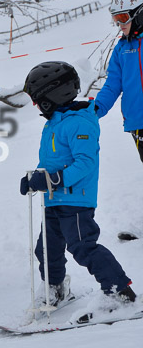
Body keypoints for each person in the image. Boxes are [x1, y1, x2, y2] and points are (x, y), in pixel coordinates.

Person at [20, 61, 136, 311]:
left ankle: (119, 290)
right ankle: (56, 287)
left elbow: (85, 163)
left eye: (38, 100)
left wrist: (53, 180)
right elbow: (52, 161)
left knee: (83, 247)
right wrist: (34, 178)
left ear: (52, 95)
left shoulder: (79, 122)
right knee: (46, 250)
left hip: (75, 201)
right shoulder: (55, 122)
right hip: (53, 201)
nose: (37, 106)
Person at [95, 0, 143, 239]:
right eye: (116, 20)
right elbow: (113, 84)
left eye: (123, 18)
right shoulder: (121, 49)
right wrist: (95, 109)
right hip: (138, 122)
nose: (119, 25)